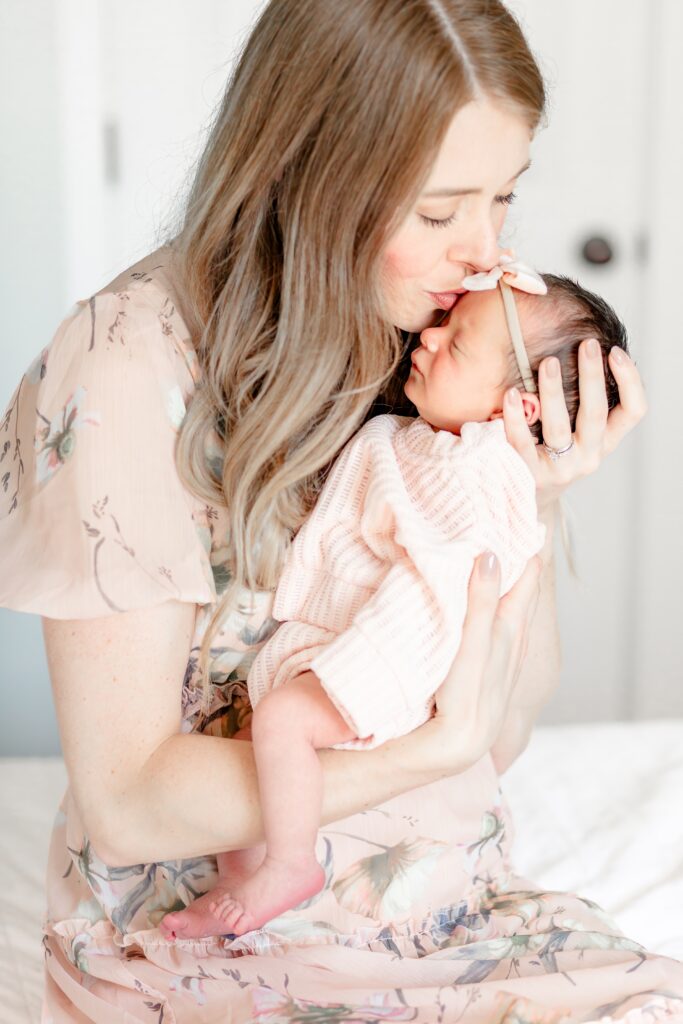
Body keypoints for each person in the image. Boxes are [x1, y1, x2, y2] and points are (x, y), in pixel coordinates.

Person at [1, 0, 679, 1020]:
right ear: (303, 176)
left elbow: (498, 734)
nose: (484, 254)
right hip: (217, 923)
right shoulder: (125, 370)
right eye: (439, 211)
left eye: (501, 197)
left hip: (443, 896)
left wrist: (529, 499)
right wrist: (423, 758)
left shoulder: (429, 345)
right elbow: (131, 802)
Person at [158, 264, 631, 943]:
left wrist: (367, 666)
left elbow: (440, 587)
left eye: (456, 345)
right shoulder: (427, 441)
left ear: (520, 410)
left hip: (398, 647)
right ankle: (259, 872)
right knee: (260, 769)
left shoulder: (476, 472)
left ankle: (289, 865)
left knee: (286, 723)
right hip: (373, 648)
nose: (429, 339)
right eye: (443, 325)